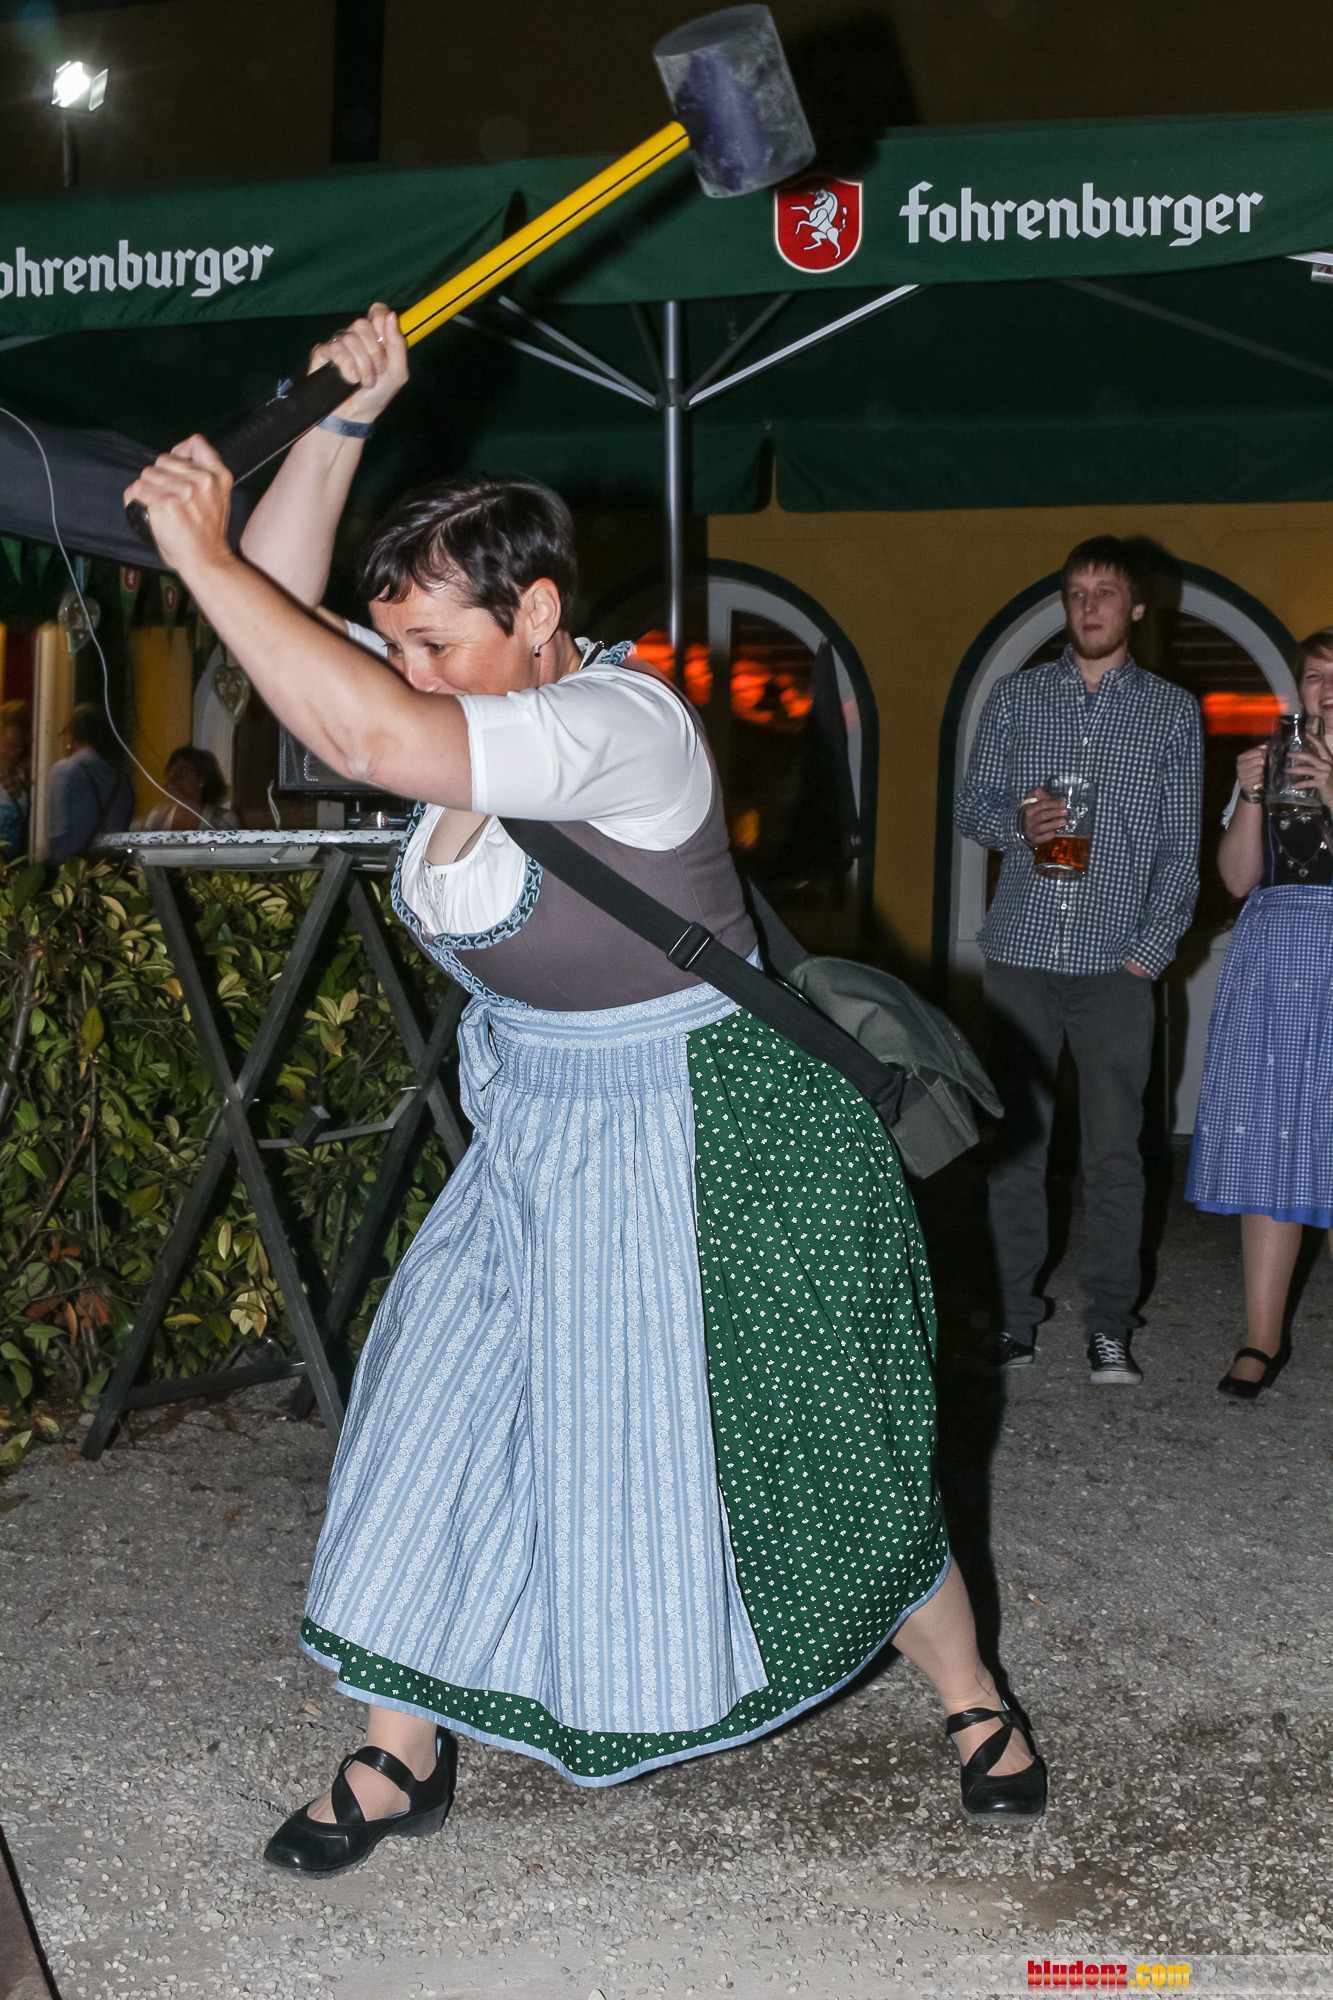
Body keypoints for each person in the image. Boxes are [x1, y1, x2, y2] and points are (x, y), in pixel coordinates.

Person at [125, 303, 1046, 1880]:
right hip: (542, 1131)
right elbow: (285, 638)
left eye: (435, 644)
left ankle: (973, 1698)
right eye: (397, 642)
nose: (407, 669)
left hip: (718, 1130)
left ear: (538, 611)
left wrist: (200, 553)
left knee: (809, 1451)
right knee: (431, 1413)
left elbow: (353, 720)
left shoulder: (622, 724)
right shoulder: (461, 701)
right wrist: (345, 420)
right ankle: (395, 1751)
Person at [955, 537, 1202, 1385]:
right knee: (1017, 1146)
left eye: (1104, 591)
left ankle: (1108, 1326)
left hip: (1114, 965)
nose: (1088, 605)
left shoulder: (1170, 711)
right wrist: (1012, 823)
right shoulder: (1017, 697)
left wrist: (1147, 953)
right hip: (1022, 951)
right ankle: (1013, 1319)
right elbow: (973, 804)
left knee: (1113, 1154)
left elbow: (1179, 849)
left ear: (1135, 607)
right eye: (1075, 592)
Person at [1186, 630, 1333, 1399]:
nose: (1325, 688)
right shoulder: (1274, 759)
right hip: (1274, 952)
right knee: (1272, 1137)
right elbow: (1237, 878)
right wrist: (1247, 794)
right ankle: (1260, 1336)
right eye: (1313, 676)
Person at [46, 703, 134, 861]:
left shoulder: (63, 771)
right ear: (100, 736)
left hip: (77, 868)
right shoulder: (120, 779)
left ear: (70, 734)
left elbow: (58, 834)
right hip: (114, 866)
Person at [140, 744, 239, 831]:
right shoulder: (158, 816)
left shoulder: (222, 820)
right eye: (171, 772)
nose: (174, 778)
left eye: (181, 771)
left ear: (202, 779)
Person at [0, 698, 32, 861]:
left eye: (18, 746)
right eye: (7, 745)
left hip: (15, 865)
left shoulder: (20, 776)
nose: (13, 752)